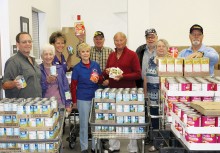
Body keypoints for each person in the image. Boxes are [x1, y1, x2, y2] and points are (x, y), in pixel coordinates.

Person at [103, 32, 141, 152]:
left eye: (121, 40)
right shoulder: (111, 55)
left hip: (129, 91)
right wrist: (106, 71)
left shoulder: (132, 54)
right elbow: (106, 73)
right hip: (113, 91)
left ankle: (133, 147)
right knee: (112, 118)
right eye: (116, 40)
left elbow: (138, 74)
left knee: (131, 119)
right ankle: (113, 145)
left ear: (126, 40)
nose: (118, 43)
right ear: (114, 41)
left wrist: (122, 76)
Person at [70, 43, 103, 153]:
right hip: (82, 98)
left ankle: (95, 146)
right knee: (84, 124)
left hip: (95, 98)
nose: (85, 53)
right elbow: (73, 86)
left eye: (87, 51)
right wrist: (74, 101)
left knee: (95, 123)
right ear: (79, 53)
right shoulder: (77, 68)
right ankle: (84, 147)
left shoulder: (95, 65)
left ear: (90, 53)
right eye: (83, 51)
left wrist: (99, 79)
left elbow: (102, 79)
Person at [143, 39, 170, 152]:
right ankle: (156, 143)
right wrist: (145, 93)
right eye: (158, 46)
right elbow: (146, 77)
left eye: (163, 46)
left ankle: (167, 143)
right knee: (154, 120)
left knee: (165, 120)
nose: (160, 48)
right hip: (152, 96)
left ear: (167, 48)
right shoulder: (150, 60)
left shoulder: (171, 61)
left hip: (166, 97)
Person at [2, 32, 42, 98]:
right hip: (21, 105)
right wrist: (14, 84)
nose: (28, 44)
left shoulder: (34, 61)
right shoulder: (13, 62)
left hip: (36, 103)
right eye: (24, 42)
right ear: (17, 44)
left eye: (29, 41)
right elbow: (4, 85)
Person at [39, 44, 72, 113]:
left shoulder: (59, 69)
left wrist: (68, 104)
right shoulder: (38, 70)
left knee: (60, 123)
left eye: (50, 54)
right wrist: (47, 82)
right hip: (45, 105)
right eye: (45, 54)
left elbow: (66, 88)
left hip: (60, 103)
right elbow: (38, 90)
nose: (48, 57)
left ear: (53, 56)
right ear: (41, 56)